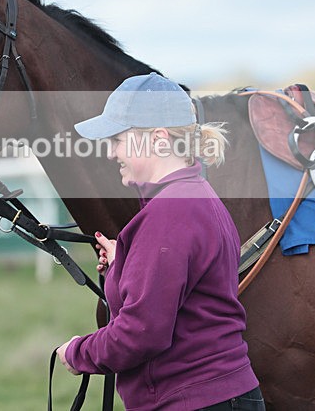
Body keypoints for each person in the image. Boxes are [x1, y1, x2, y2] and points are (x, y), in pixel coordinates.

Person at [56, 73, 264, 411]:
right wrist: (124, 266)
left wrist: (77, 352)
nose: (111, 153)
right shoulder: (193, 197)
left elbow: (141, 333)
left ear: (158, 139)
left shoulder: (170, 213)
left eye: (118, 139)